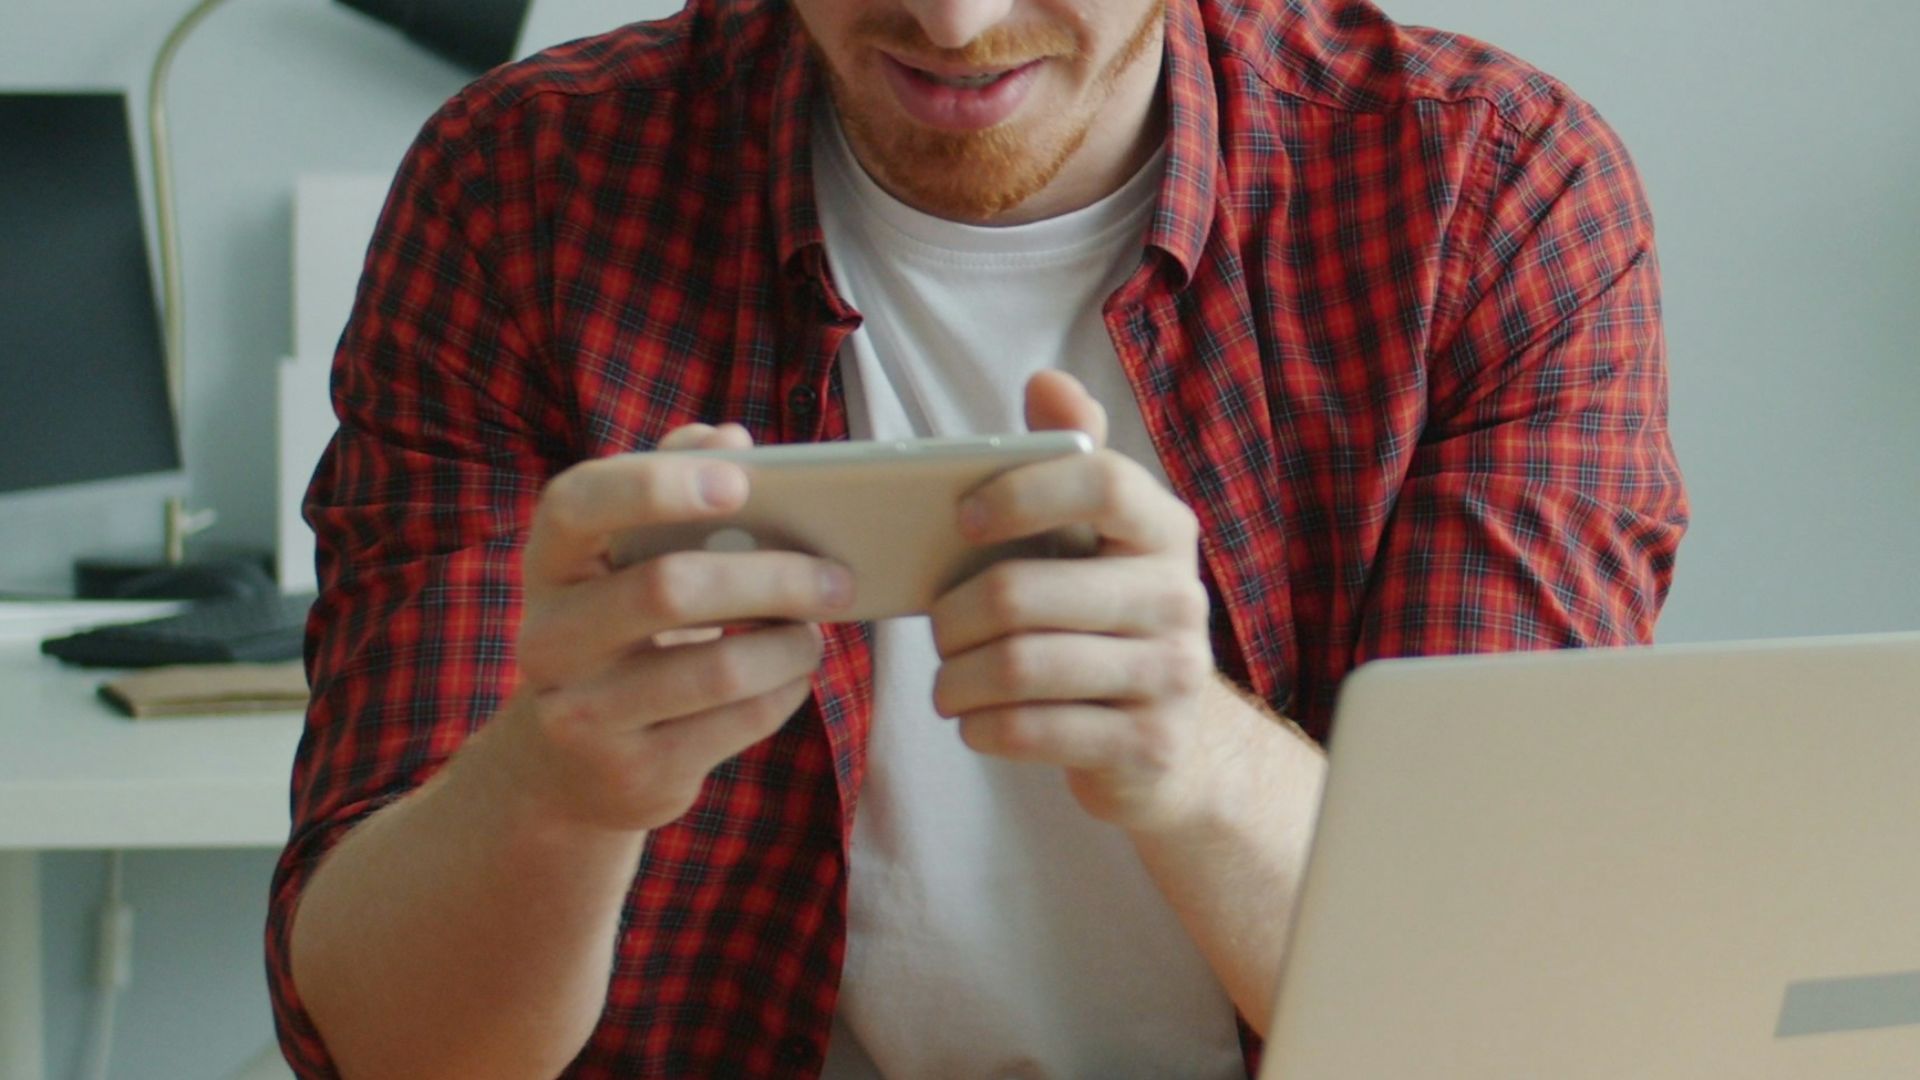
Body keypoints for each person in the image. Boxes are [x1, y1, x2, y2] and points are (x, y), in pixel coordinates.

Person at [267, 0, 1688, 1075]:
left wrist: (1192, 749)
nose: (953, 27)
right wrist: (555, 787)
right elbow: (391, 1047)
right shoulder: (525, 187)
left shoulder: (1484, 191)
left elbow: (1509, 1024)